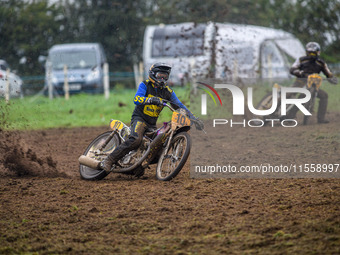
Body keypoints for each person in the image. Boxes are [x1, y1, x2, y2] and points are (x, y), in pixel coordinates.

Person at [100, 62, 203, 173]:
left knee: (159, 149)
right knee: (135, 140)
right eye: (160, 75)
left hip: (152, 125)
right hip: (139, 119)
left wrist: (194, 119)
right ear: (153, 74)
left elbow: (180, 106)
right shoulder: (145, 85)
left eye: (165, 76)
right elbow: (137, 99)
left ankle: (138, 164)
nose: (162, 79)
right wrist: (150, 99)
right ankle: (108, 160)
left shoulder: (168, 92)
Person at [288, 42, 338, 123]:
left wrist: (332, 78)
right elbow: (292, 69)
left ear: (318, 53)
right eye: (309, 53)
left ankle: (321, 118)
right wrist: (300, 73)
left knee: (324, 95)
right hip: (300, 82)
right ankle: (275, 111)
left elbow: (329, 74)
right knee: (288, 94)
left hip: (313, 85)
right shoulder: (301, 60)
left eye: (313, 53)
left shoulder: (321, 63)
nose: (311, 55)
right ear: (306, 52)